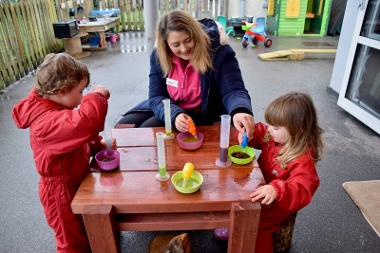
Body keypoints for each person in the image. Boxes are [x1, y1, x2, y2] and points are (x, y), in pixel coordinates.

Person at [12, 53, 111, 253]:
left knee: (86, 229)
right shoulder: (45, 124)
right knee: (72, 243)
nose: (83, 97)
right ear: (63, 91)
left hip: (73, 181)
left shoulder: (55, 110)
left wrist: (95, 147)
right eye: (81, 92)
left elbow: (72, 143)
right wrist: (97, 96)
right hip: (59, 194)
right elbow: (87, 123)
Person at [116, 9, 255, 138]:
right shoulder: (158, 57)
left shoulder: (219, 52)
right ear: (166, 45)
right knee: (123, 128)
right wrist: (175, 115)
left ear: (196, 34)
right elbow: (156, 96)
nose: (184, 49)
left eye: (188, 40)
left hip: (207, 113)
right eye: (176, 45)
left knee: (147, 130)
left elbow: (234, 90)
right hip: (174, 109)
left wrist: (239, 110)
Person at [214, 91, 323, 253]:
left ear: (298, 130)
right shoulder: (275, 136)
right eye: (270, 124)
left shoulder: (302, 159)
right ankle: (236, 224)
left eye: (276, 127)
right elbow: (261, 131)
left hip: (275, 204)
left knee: (257, 225)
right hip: (260, 187)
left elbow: (304, 187)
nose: (270, 129)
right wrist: (248, 132)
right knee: (233, 194)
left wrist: (277, 190)